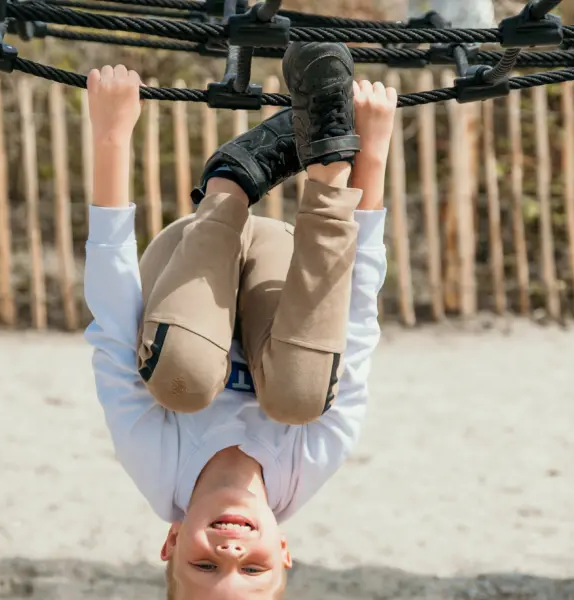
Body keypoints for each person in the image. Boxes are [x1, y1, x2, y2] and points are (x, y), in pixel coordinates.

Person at [84, 41, 395, 598]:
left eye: (205, 568)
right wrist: (371, 152)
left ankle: (232, 179)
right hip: (280, 262)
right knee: (300, 396)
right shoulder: (310, 465)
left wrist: (110, 136)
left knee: (183, 380)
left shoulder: (158, 468)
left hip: (194, 250)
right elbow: (355, 318)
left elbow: (111, 321)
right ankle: (323, 160)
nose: (230, 553)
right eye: (253, 570)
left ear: (170, 543)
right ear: (283, 551)